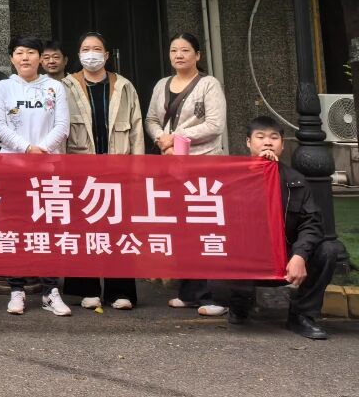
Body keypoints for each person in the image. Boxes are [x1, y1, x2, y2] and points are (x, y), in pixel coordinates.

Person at [227, 116, 338, 341]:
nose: (268, 142)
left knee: (328, 250)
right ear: (248, 142)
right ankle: (239, 303)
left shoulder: (296, 180)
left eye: (274, 137)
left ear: (282, 144)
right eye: (260, 137)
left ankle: (301, 315)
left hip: (286, 257)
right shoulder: (234, 177)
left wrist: (299, 255)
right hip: (250, 256)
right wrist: (257, 171)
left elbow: (312, 223)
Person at [145, 31, 228, 315]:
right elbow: (151, 119)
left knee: (205, 228)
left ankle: (211, 296)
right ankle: (189, 292)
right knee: (181, 228)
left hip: (203, 166)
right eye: (174, 50)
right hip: (172, 165)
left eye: (185, 50)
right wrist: (162, 139)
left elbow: (215, 125)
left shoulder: (209, 84)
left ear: (197, 55)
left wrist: (176, 137)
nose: (178, 55)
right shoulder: (161, 85)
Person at [61, 31, 144, 312]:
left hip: (117, 169)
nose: (91, 54)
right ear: (78, 54)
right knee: (82, 228)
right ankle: (86, 289)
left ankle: (120, 291)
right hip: (80, 169)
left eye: (96, 49)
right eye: (85, 49)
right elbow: (60, 131)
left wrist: (138, 169)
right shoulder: (66, 86)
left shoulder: (124, 86)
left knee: (118, 230)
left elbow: (136, 129)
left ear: (107, 55)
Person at [0, 35, 72, 317]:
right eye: (19, 52)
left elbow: (62, 125)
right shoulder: (3, 87)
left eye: (31, 53)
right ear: (11, 58)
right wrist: (26, 148)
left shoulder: (54, 87)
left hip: (47, 168)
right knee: (14, 228)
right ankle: (16, 289)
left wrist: (42, 149)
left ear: (40, 57)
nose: (25, 58)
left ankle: (51, 291)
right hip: (12, 167)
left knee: (47, 228)